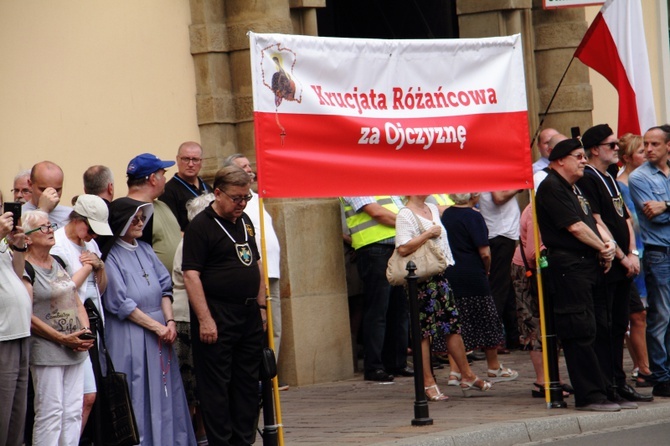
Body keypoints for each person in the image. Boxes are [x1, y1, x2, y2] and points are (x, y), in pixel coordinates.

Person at [182, 166, 266, 445]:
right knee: (217, 385)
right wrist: (205, 319)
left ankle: (244, 439)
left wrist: (262, 307)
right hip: (218, 313)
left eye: (246, 198)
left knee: (247, 381)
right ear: (217, 193)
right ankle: (222, 441)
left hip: (248, 313)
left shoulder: (245, 221)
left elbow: (254, 262)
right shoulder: (201, 226)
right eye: (236, 198)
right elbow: (191, 274)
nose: (242, 203)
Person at [102, 197, 196, 445]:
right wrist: (157, 327)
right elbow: (121, 303)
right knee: (139, 392)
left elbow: (165, 288)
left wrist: (170, 322)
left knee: (166, 392)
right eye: (135, 217)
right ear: (122, 221)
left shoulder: (144, 249)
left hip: (161, 333)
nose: (141, 221)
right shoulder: (110, 257)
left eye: (143, 217)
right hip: (131, 333)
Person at [536, 138, 620, 411]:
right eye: (578, 156)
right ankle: (589, 395)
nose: (584, 160)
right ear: (560, 160)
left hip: (588, 265)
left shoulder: (575, 188)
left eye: (584, 156)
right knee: (580, 331)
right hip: (569, 269)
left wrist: (605, 248)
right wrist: (604, 249)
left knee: (599, 328)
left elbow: (590, 223)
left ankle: (606, 389)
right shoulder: (551, 187)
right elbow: (574, 228)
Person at [577, 124, 651, 404]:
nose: (617, 149)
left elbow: (625, 218)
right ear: (595, 149)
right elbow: (596, 221)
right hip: (608, 262)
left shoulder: (609, 177)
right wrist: (620, 255)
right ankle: (607, 383)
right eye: (611, 145)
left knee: (621, 323)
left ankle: (619, 382)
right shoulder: (588, 178)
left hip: (625, 261)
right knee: (606, 325)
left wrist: (632, 252)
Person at [395, 195, 492, 400]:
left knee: (452, 326)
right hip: (420, 279)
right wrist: (428, 233)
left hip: (440, 275)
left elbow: (450, 208)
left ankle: (467, 375)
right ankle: (428, 383)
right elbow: (402, 247)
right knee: (423, 332)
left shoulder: (431, 207)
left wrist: (469, 207)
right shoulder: (405, 214)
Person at [23, 210, 95, 444]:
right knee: (50, 413)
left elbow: (75, 300)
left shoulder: (60, 262)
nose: (50, 230)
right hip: (46, 350)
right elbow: (27, 314)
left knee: (73, 412)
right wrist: (62, 339)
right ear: (28, 237)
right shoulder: (24, 268)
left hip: (74, 348)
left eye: (51, 225)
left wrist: (85, 332)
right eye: (43, 228)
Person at [50, 195, 113, 438]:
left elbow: (101, 288)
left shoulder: (91, 245)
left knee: (87, 397)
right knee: (72, 400)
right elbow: (62, 291)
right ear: (78, 219)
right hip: (65, 324)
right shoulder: (56, 244)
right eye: (91, 228)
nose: (93, 236)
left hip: (90, 322)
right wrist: (88, 267)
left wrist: (100, 267)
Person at [224, 153, 287, 389]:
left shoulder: (257, 197)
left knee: (275, 325)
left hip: (272, 270)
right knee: (257, 325)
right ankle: (257, 376)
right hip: (253, 270)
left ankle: (270, 374)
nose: (250, 169)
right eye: (243, 167)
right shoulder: (232, 202)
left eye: (250, 165)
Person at [441, 193, 519, 384]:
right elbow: (484, 252)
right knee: (486, 317)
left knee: (457, 322)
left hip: (451, 271)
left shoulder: (447, 215)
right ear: (473, 195)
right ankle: (493, 367)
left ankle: (454, 372)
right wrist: (487, 270)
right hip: (473, 273)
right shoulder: (474, 216)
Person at [341, 195, 411, 382]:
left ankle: (397, 362)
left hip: (398, 248)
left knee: (399, 309)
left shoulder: (383, 181)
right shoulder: (355, 180)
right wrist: (412, 225)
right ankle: (374, 366)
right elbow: (378, 213)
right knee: (378, 310)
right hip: (374, 250)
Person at [629, 124, 670, 398]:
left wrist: (666, 204)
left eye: (655, 144)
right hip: (659, 252)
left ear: (668, 146)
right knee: (661, 315)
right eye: (646, 144)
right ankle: (662, 375)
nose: (648, 149)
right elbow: (655, 217)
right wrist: (664, 210)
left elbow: (663, 211)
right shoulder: (640, 177)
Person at [172, 193, 214, 445]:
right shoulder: (192, 242)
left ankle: (201, 433)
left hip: (196, 314)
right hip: (187, 317)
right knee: (191, 385)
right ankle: (192, 436)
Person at [616, 133, 652, 387]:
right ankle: (642, 366)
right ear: (627, 158)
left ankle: (650, 362)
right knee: (637, 314)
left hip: (654, 248)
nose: (647, 153)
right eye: (641, 150)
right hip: (636, 249)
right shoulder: (621, 185)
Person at [0, 207, 32, 446]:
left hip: (20, 332)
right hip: (3, 336)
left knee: (17, 414)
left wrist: (19, 246)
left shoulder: (3, 243)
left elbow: (18, 274)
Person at [123, 153, 182, 274]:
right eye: (163, 174)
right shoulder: (132, 214)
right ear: (153, 179)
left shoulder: (161, 205)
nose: (166, 179)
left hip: (177, 286)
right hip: (156, 288)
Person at [478, 190, 522, 351]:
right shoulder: (492, 174)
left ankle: (513, 336)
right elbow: (498, 197)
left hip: (505, 232)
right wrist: (517, 187)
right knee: (499, 287)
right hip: (500, 233)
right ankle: (493, 339)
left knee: (507, 287)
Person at [159, 142, 212, 231]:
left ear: (201, 162)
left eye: (195, 159)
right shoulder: (168, 191)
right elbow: (171, 230)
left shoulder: (208, 187)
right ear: (177, 159)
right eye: (186, 159)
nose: (190, 164)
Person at [22, 161, 73, 228]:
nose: (50, 195)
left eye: (57, 190)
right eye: (43, 190)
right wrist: (42, 210)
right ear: (30, 184)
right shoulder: (19, 216)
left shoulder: (70, 216)